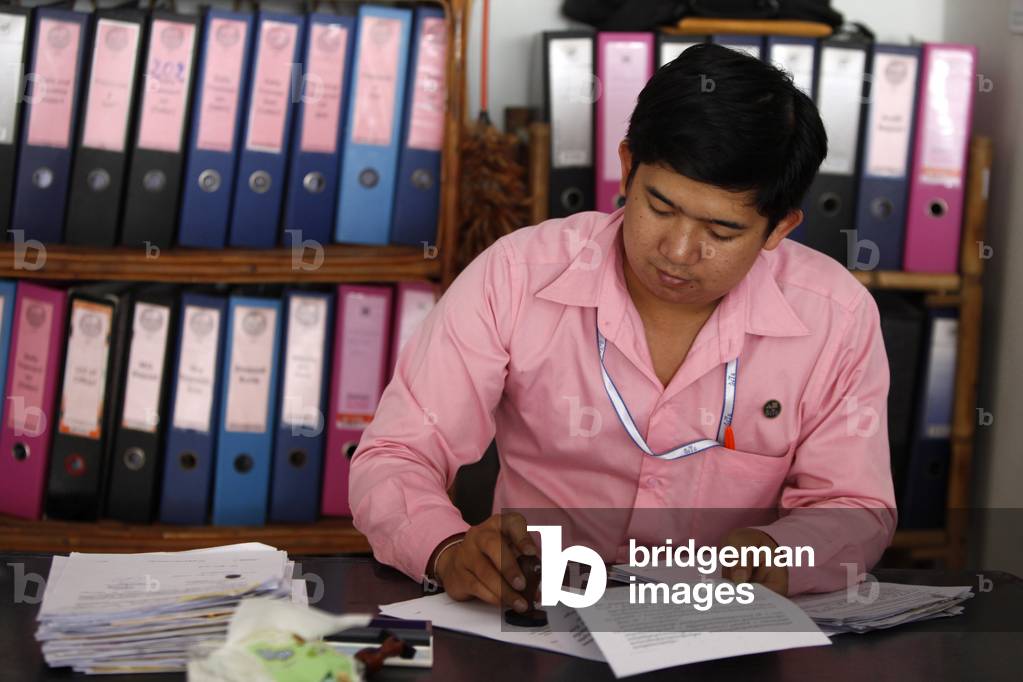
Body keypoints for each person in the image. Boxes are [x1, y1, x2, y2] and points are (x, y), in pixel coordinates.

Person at [349, 43, 896, 614]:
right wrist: (447, 549)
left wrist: (780, 553)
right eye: (660, 208)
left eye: (721, 232)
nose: (678, 252)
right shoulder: (516, 275)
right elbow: (395, 452)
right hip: (539, 618)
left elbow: (856, 507)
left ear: (780, 227)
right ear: (628, 167)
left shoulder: (835, 317)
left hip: (721, 627)